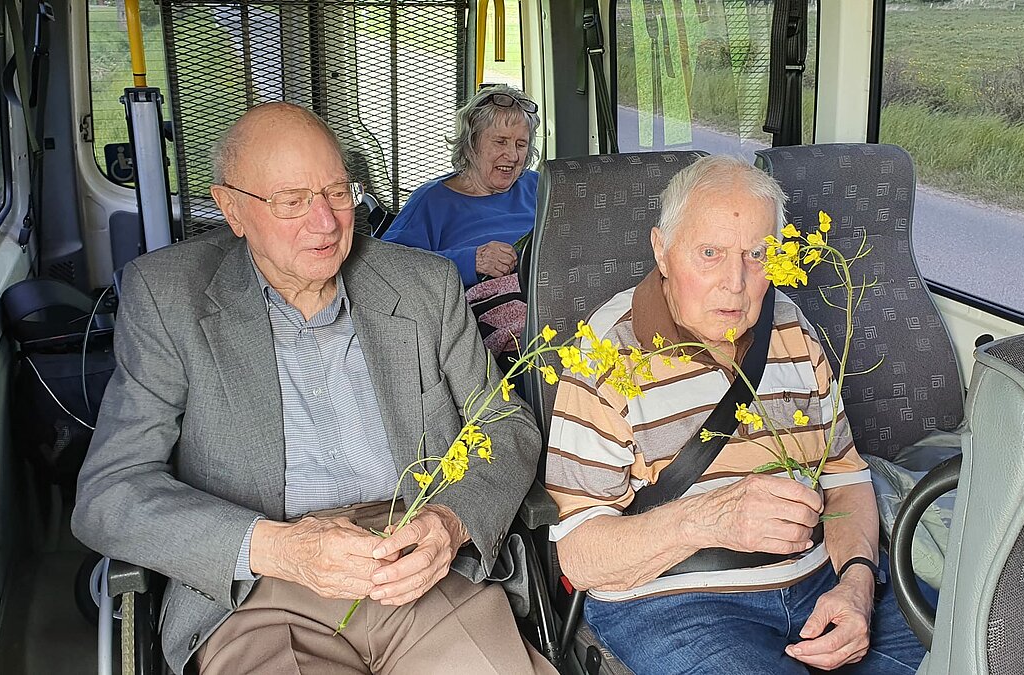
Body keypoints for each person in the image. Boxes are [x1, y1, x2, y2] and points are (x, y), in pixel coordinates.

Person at [72, 102, 553, 675]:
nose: (325, 223)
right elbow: (110, 492)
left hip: (420, 570)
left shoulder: (423, 285)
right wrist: (276, 548)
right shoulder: (168, 296)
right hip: (261, 595)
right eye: (292, 202)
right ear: (232, 208)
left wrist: (449, 524)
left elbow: (506, 425)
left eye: (337, 192)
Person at [544, 155, 929, 674]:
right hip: (678, 605)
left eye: (756, 255)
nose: (735, 282)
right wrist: (709, 520)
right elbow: (578, 555)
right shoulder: (604, 355)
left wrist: (857, 584)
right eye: (709, 253)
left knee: (966, 651)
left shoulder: (792, 327)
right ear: (663, 250)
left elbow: (846, 478)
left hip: (822, 582)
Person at [383, 84, 539, 288]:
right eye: (500, 142)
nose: (513, 155)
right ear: (471, 143)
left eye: (521, 144)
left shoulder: (538, 185)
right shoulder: (433, 200)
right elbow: (387, 268)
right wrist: (472, 261)